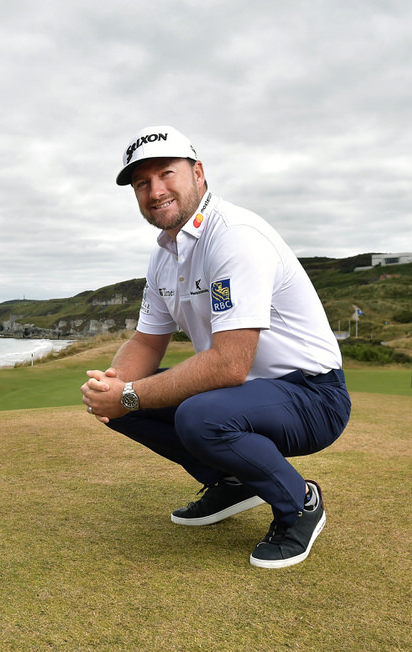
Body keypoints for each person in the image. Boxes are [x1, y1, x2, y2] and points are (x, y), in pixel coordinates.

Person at [80, 125, 351, 569]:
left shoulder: (235, 236)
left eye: (167, 174)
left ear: (199, 173)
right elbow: (147, 340)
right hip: (248, 395)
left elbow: (228, 365)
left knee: (198, 415)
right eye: (142, 183)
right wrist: (113, 388)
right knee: (120, 402)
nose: (155, 191)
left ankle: (300, 504)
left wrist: (130, 393)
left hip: (313, 394)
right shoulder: (164, 252)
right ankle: (233, 481)